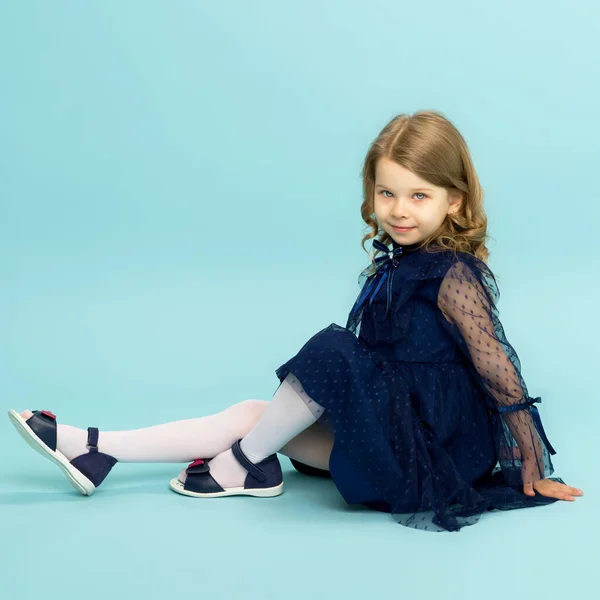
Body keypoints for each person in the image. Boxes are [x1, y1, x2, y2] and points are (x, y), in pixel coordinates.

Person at [8, 110, 583, 532]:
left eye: (419, 196)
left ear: (453, 202)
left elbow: (496, 364)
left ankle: (240, 465)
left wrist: (529, 455)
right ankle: (96, 447)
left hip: (430, 456)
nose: (400, 210)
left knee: (333, 351)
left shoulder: (453, 273)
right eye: (387, 193)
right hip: (389, 435)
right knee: (253, 415)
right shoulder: (399, 263)